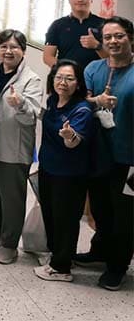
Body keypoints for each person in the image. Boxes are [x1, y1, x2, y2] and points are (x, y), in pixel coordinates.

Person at [0, 30, 43, 264]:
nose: (8, 51)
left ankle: (9, 244)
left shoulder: (31, 79)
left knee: (11, 199)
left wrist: (20, 104)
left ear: (23, 50)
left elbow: (32, 116)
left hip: (12, 150)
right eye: (4, 46)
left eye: (14, 47)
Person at [78, 16, 134, 290]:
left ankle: (117, 266)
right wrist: (96, 101)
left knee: (124, 214)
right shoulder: (93, 68)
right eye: (108, 37)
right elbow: (79, 100)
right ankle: (99, 250)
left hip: (128, 158)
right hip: (98, 153)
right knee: (100, 208)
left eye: (119, 36)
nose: (113, 41)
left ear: (130, 38)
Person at [34, 60, 94, 282]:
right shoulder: (53, 101)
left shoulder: (82, 110)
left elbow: (73, 142)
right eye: (59, 77)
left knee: (65, 220)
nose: (63, 82)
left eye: (69, 78)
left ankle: (62, 268)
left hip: (69, 176)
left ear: (78, 83)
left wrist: (70, 136)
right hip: (48, 169)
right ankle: (57, 256)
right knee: (50, 215)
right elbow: (46, 119)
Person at [43, 0, 106, 70]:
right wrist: (68, 71)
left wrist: (97, 46)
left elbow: (112, 58)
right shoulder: (57, 25)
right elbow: (47, 57)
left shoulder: (104, 25)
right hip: (67, 76)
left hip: (95, 76)